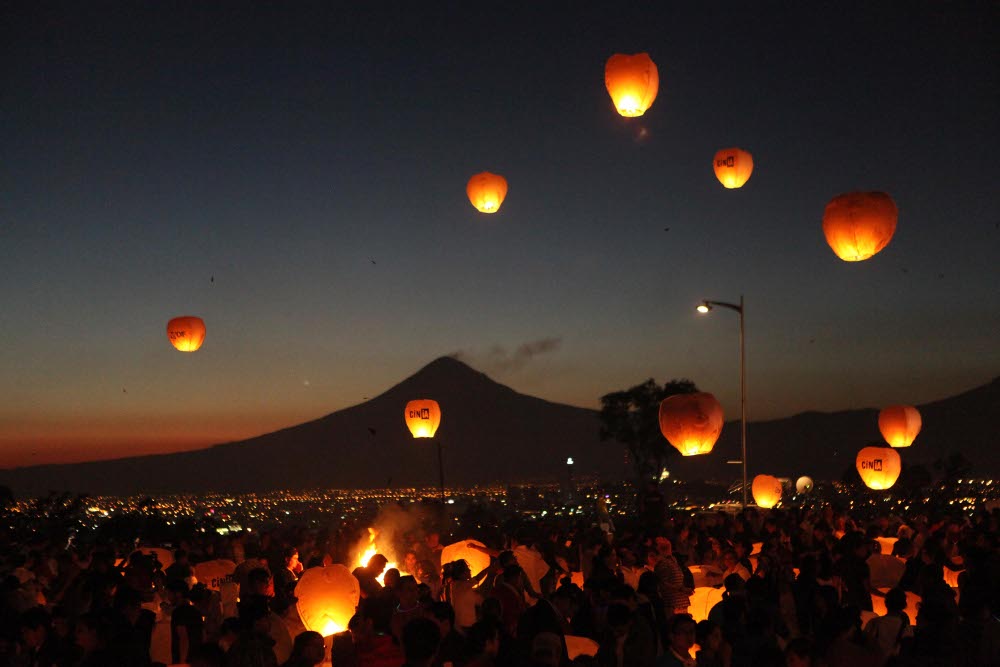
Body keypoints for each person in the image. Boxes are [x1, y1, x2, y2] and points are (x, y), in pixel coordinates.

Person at [863, 587, 911, 657]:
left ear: (886, 603)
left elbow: (865, 645)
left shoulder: (874, 623)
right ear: (904, 605)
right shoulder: (907, 629)